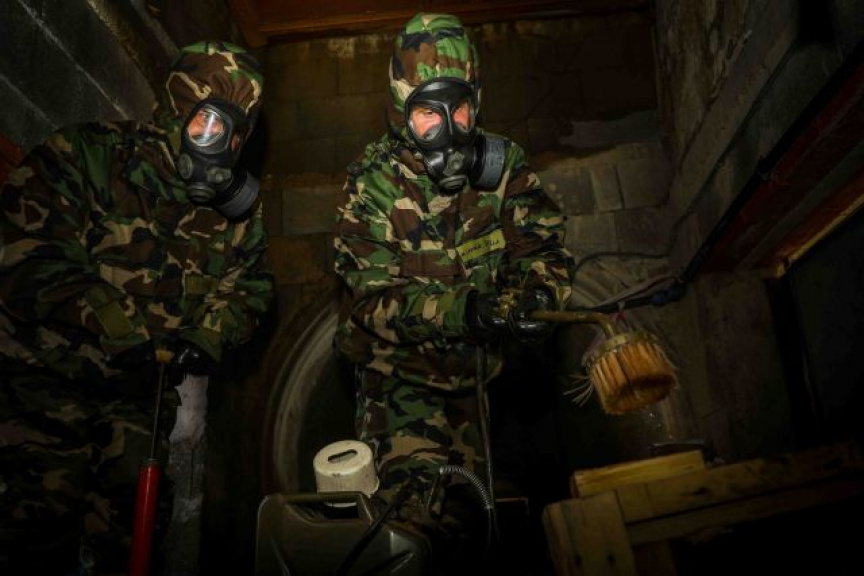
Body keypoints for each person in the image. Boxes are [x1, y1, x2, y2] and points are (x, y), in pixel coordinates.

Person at [0, 41, 274, 574]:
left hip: (139, 404)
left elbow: (252, 285)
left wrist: (208, 335)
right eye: (205, 124)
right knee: (31, 533)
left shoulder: (234, 217)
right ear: (175, 112)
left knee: (128, 543)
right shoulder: (90, 155)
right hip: (45, 386)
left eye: (232, 133)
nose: (217, 144)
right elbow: (27, 249)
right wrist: (117, 325)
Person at [333, 12, 574, 572]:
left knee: (471, 524)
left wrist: (539, 296)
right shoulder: (369, 183)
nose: (447, 128)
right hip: (397, 378)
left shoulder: (504, 167)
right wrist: (466, 309)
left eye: (458, 108)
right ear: (400, 113)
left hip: (474, 379)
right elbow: (371, 301)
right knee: (411, 523)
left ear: (476, 102)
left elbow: (542, 248)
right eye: (427, 113)